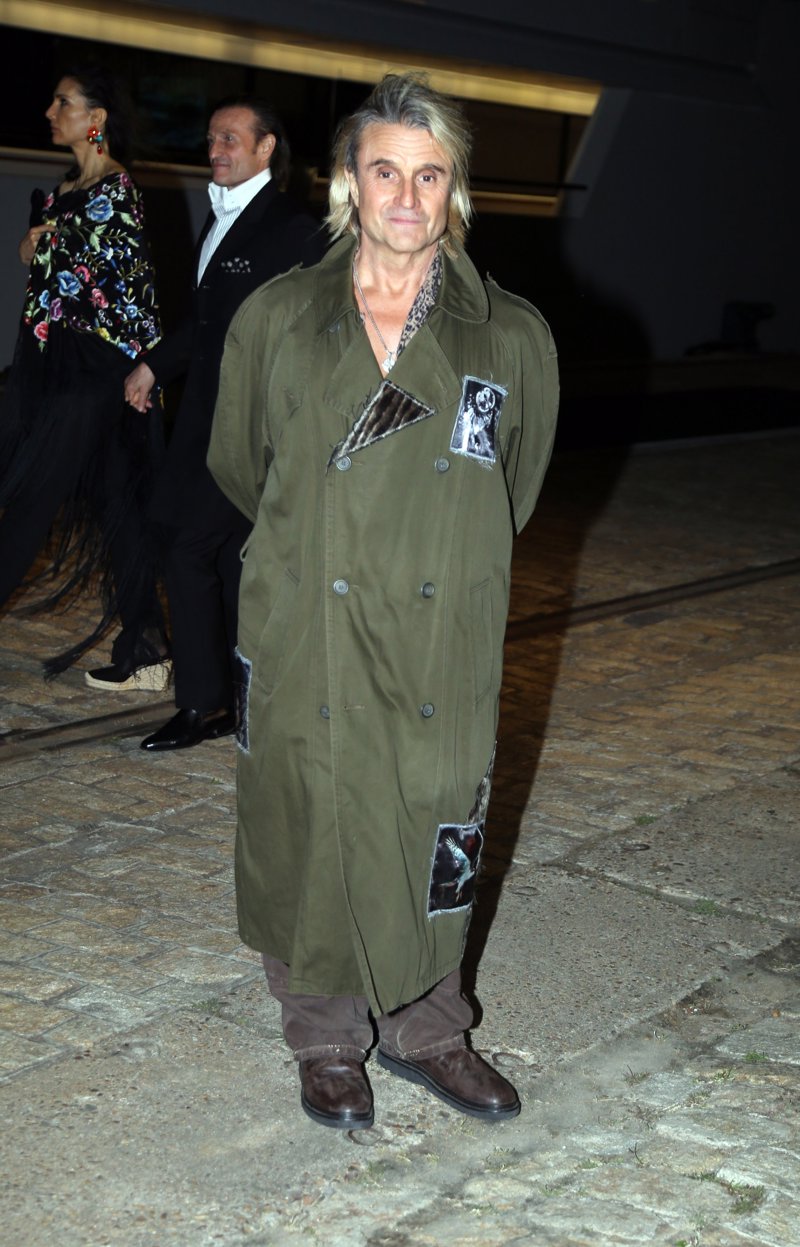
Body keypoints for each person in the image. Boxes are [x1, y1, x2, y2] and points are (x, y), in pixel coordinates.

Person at [208, 73, 559, 1130]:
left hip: (439, 628)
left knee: (437, 811)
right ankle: (322, 1033)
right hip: (307, 616)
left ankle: (427, 1026)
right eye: (385, 172)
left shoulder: (510, 337)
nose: (406, 197)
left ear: (454, 190)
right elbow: (242, 465)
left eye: (429, 175)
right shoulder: (277, 317)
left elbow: (515, 487)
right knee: (307, 813)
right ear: (347, 185)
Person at [123, 96, 325, 751]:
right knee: (237, 562)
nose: (215, 149)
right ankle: (245, 697)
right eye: (211, 137)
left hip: (255, 429)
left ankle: (203, 703)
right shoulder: (219, 216)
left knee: (187, 548)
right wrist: (154, 366)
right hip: (206, 419)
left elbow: (318, 330)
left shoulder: (294, 226)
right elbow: (205, 323)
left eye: (231, 138)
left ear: (267, 148)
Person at [0, 67, 167, 685]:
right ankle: (148, 650)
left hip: (96, 369)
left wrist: (147, 367)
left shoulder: (117, 190)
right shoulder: (71, 186)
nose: (50, 112)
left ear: (95, 118)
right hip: (63, 364)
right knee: (117, 502)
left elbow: (127, 287)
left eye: (63, 102)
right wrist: (32, 248)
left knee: (30, 496)